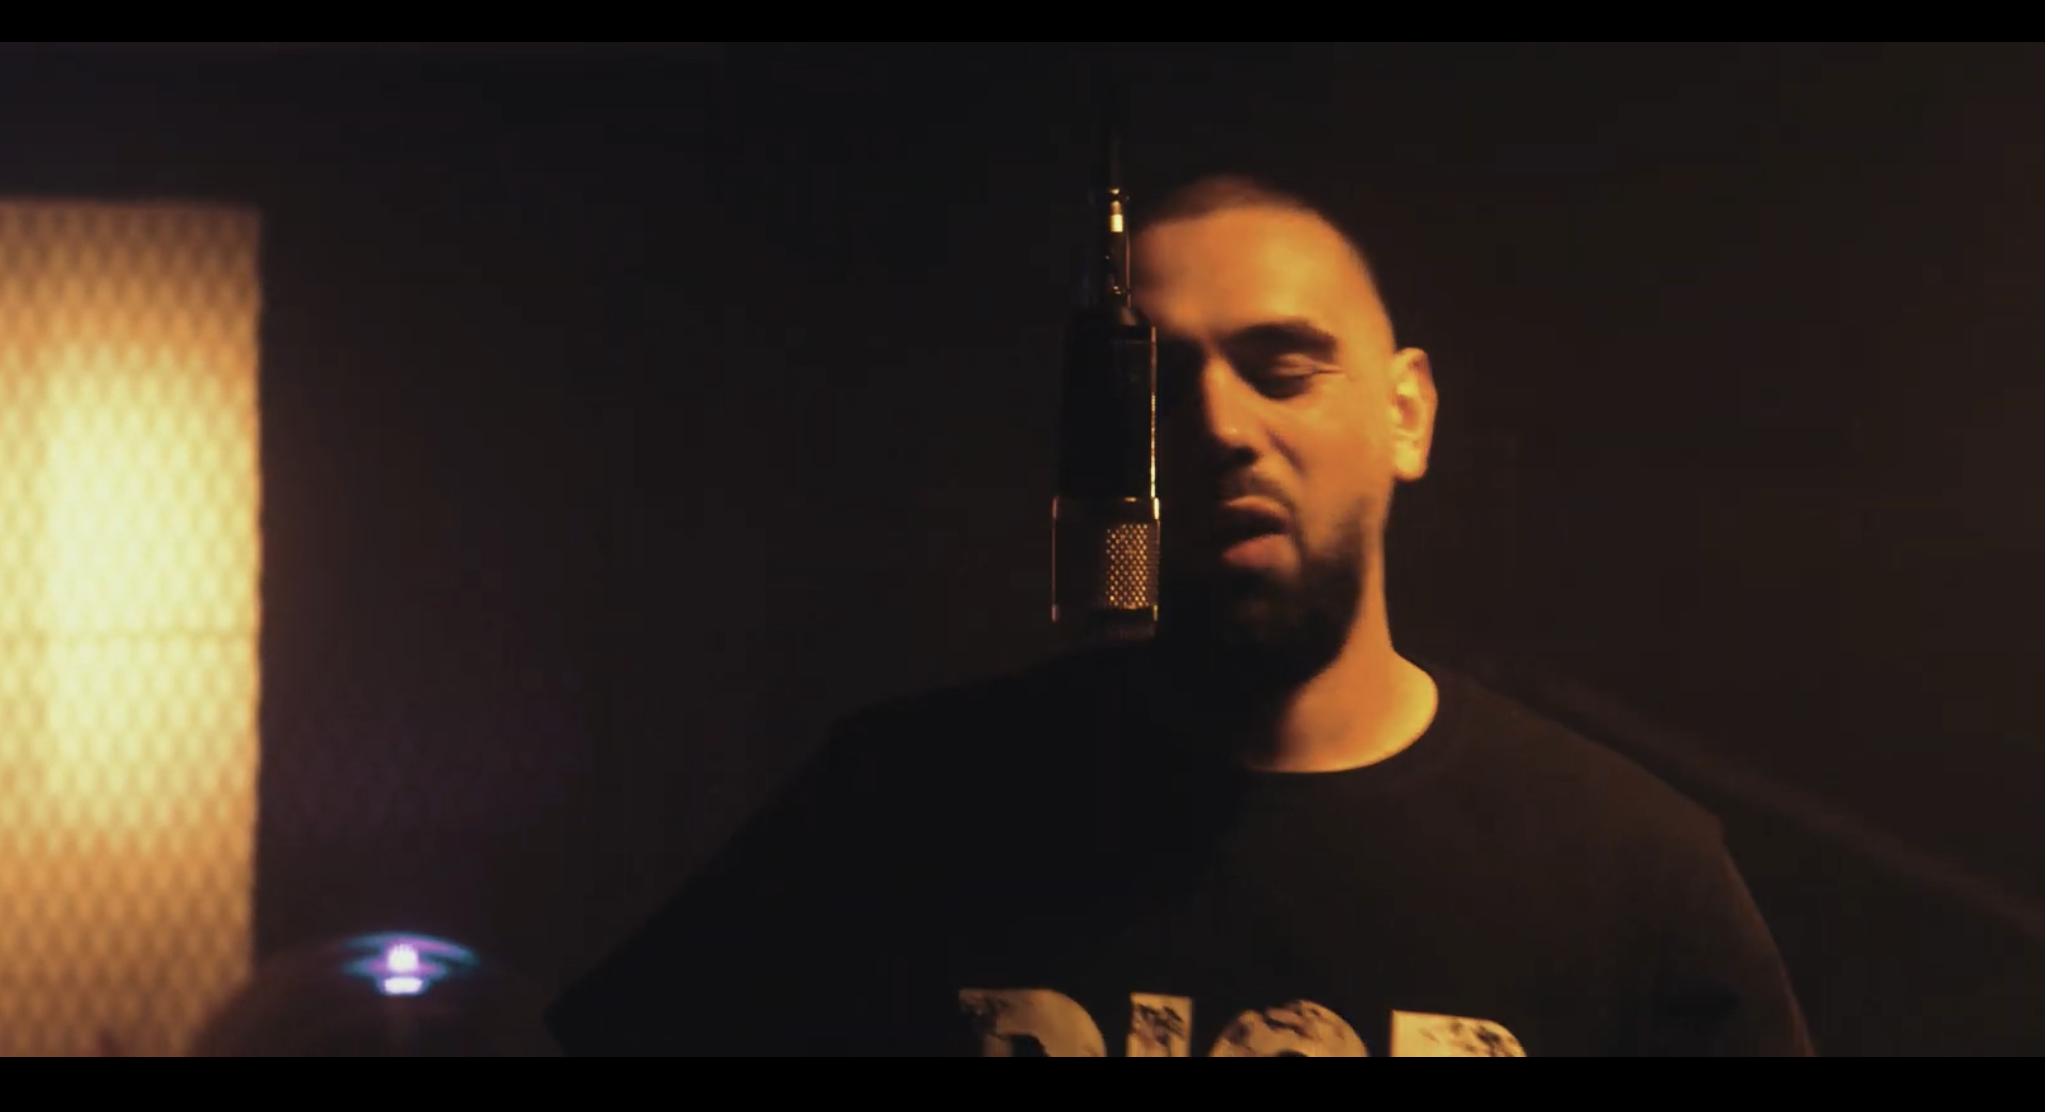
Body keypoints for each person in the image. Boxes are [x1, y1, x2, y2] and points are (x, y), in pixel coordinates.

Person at [544, 175, 1814, 1057]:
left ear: (1407, 413)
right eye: (1154, 384)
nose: (1217, 425)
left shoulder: (1628, 871)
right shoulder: (902, 805)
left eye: (1284, 368)